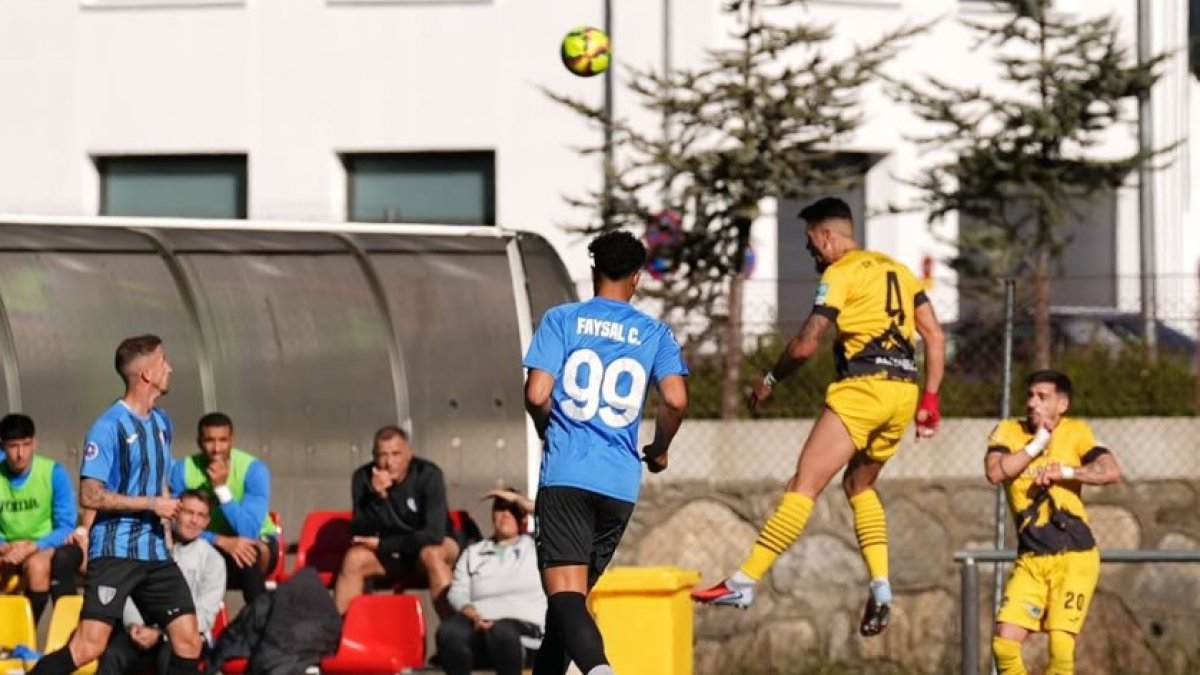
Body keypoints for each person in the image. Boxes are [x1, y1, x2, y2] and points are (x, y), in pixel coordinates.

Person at [692, 197, 946, 638]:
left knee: (803, 487)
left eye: (811, 242)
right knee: (859, 485)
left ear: (827, 236)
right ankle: (882, 586)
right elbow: (935, 337)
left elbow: (808, 342)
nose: (811, 252)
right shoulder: (900, 271)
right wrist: (931, 402)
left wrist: (771, 378)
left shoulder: (840, 273)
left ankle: (743, 581)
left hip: (862, 389)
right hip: (902, 392)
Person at [523, 230, 689, 675]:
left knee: (565, 599)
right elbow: (675, 399)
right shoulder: (655, 332)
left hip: (567, 475)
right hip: (619, 482)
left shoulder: (562, 320)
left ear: (593, 269)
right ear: (637, 278)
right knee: (567, 611)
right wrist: (660, 448)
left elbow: (537, 392)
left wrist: (549, 430)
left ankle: (600, 671)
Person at [29, 334, 204, 675]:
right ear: (146, 375)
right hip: (115, 552)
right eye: (163, 361)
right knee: (88, 647)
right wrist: (151, 504)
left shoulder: (162, 423)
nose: (170, 368)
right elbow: (90, 495)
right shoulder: (107, 427)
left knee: (188, 641)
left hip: (154, 554)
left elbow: (160, 480)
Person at [986, 370, 1121, 675]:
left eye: (1042, 397)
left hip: (1075, 556)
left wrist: (1070, 472)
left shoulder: (1076, 432)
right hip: (1032, 558)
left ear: (1062, 405)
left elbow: (1111, 470)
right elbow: (996, 472)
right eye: (1030, 395)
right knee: (1003, 645)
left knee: (1060, 648)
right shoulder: (1009, 431)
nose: (1032, 403)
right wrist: (1037, 444)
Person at [334, 424, 459, 616]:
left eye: (395, 454)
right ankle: (340, 636)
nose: (388, 462)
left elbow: (434, 534)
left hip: (429, 548)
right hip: (391, 555)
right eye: (383, 455)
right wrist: (377, 497)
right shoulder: (363, 479)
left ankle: (455, 633)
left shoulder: (428, 475)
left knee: (432, 554)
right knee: (354, 559)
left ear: (409, 454)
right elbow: (360, 529)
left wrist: (383, 544)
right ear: (374, 456)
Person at [97, 489, 226, 675]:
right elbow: (128, 592)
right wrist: (134, 625)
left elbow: (205, 616)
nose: (194, 520)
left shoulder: (213, 561)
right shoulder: (149, 548)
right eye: (189, 512)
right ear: (175, 512)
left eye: (201, 515)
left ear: (207, 522)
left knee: (173, 654)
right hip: (141, 632)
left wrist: (160, 633)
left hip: (184, 638)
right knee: (113, 654)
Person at [169, 412, 279, 603]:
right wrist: (219, 540)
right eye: (209, 441)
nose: (216, 448)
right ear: (199, 442)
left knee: (247, 552)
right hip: (205, 541)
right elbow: (173, 522)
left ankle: (259, 619)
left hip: (257, 542)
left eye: (222, 440)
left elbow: (248, 530)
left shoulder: (253, 470)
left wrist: (221, 489)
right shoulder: (183, 469)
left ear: (232, 440)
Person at [436, 488, 544, 675]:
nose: (505, 514)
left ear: (524, 517)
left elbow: (564, 520)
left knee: (503, 633)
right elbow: (457, 591)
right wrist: (467, 609)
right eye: (499, 509)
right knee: (449, 632)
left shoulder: (538, 547)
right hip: (479, 626)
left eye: (512, 509)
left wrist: (523, 501)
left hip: (525, 629)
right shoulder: (473, 553)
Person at [0, 413, 84, 620]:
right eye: (13, 446)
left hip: (43, 545)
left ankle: (25, 634)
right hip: (8, 548)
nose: (20, 454)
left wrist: (35, 546)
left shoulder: (53, 472)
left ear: (34, 443)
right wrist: (4, 546)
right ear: (2, 447)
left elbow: (65, 525)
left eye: (26, 445)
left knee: (38, 567)